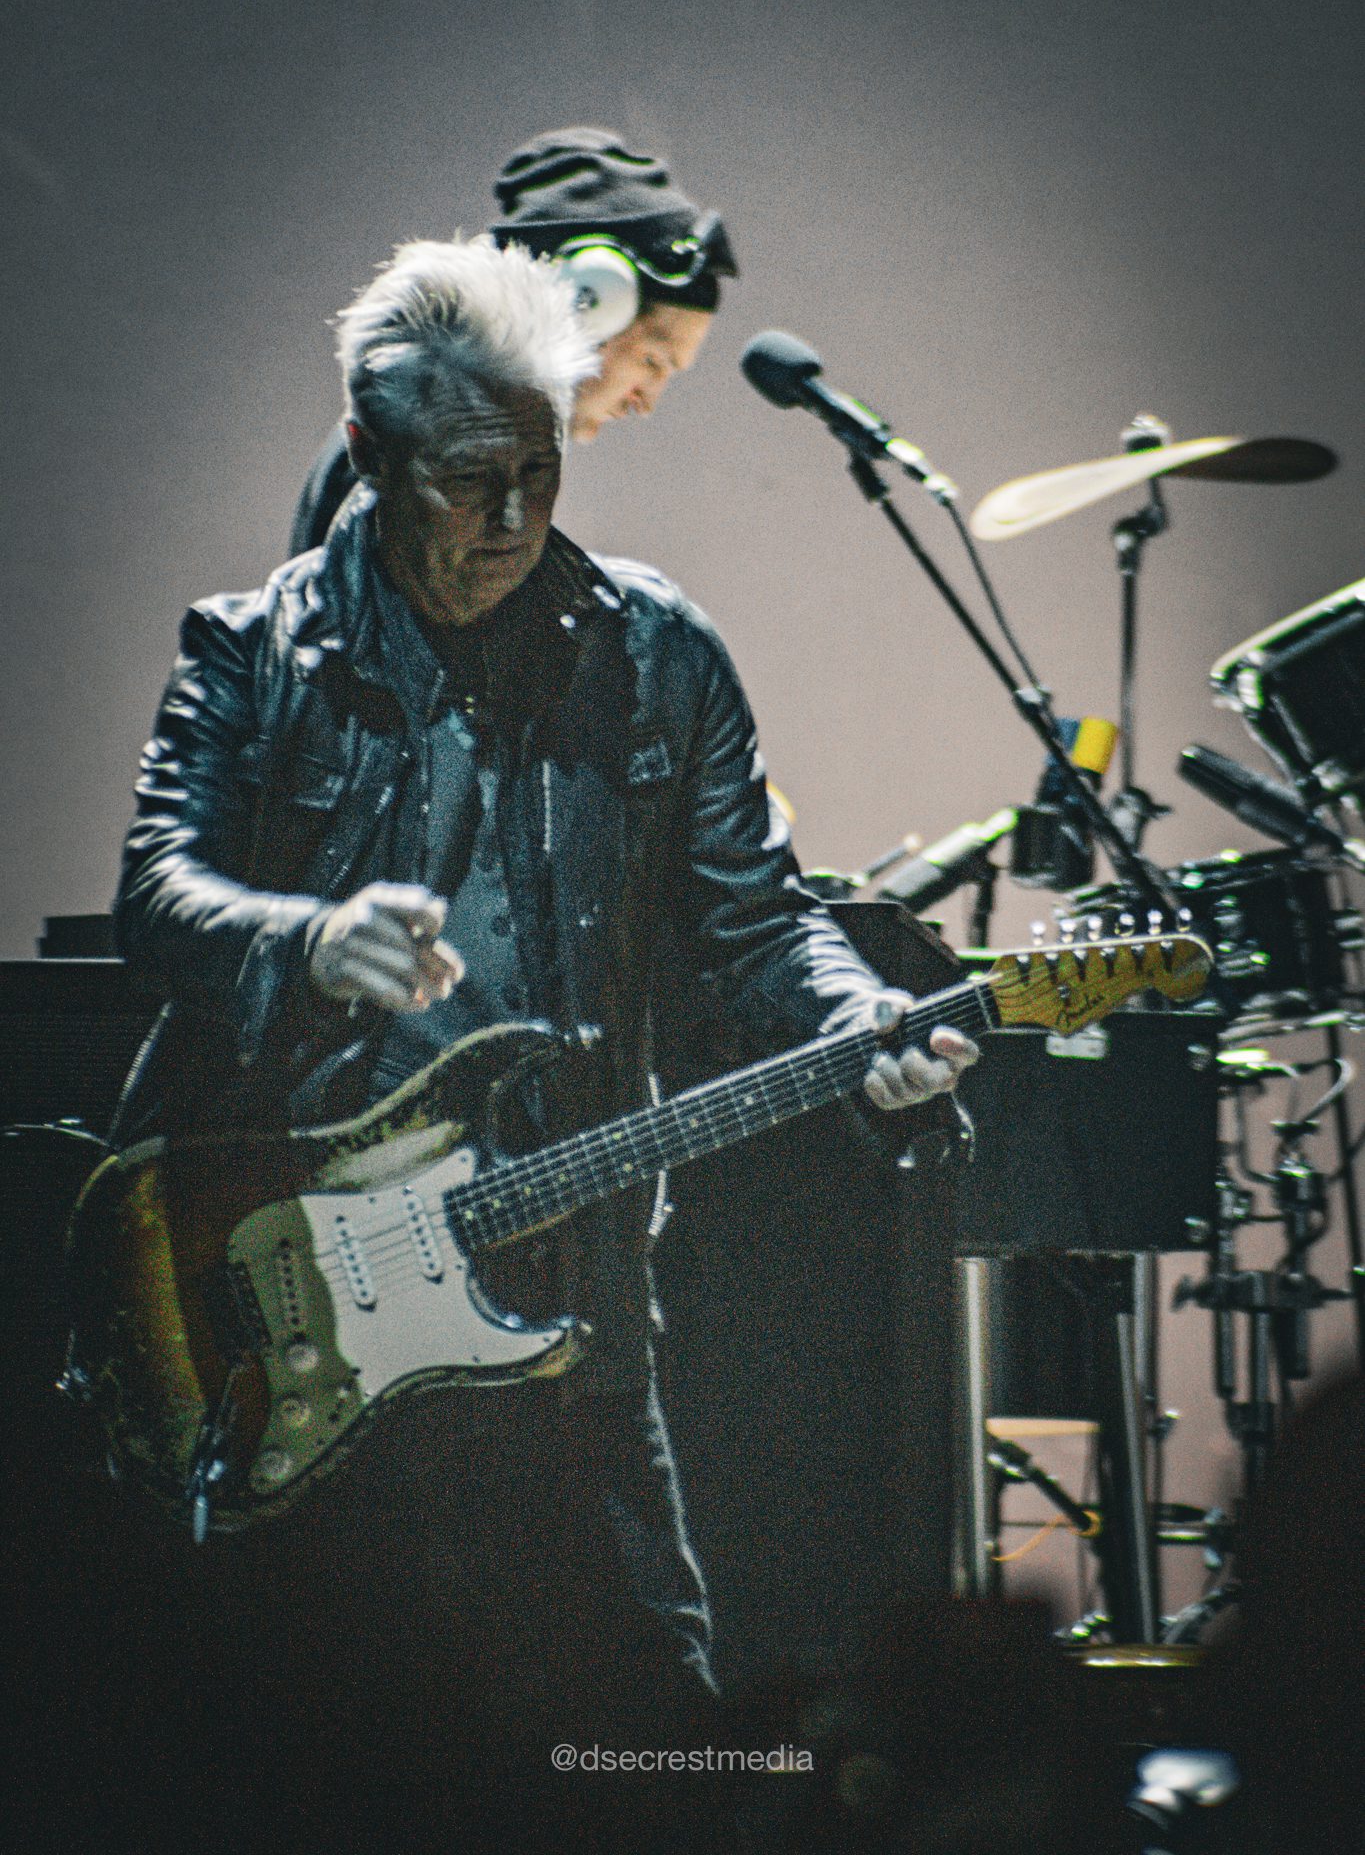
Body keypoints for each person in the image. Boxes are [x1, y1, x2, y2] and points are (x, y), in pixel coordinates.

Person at [108, 234, 976, 1844]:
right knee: (308, 1761)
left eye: (539, 472)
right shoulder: (248, 650)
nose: (511, 519)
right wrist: (304, 939)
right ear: (368, 459)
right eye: (465, 480)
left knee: (646, 1744)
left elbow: (759, 920)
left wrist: (864, 1023)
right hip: (298, 1291)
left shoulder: (657, 652)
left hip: (567, 1286)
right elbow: (156, 896)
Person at [288, 124, 736, 558]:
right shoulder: (427, 434)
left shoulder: (449, 425)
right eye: (653, 362)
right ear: (588, 302)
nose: (646, 402)